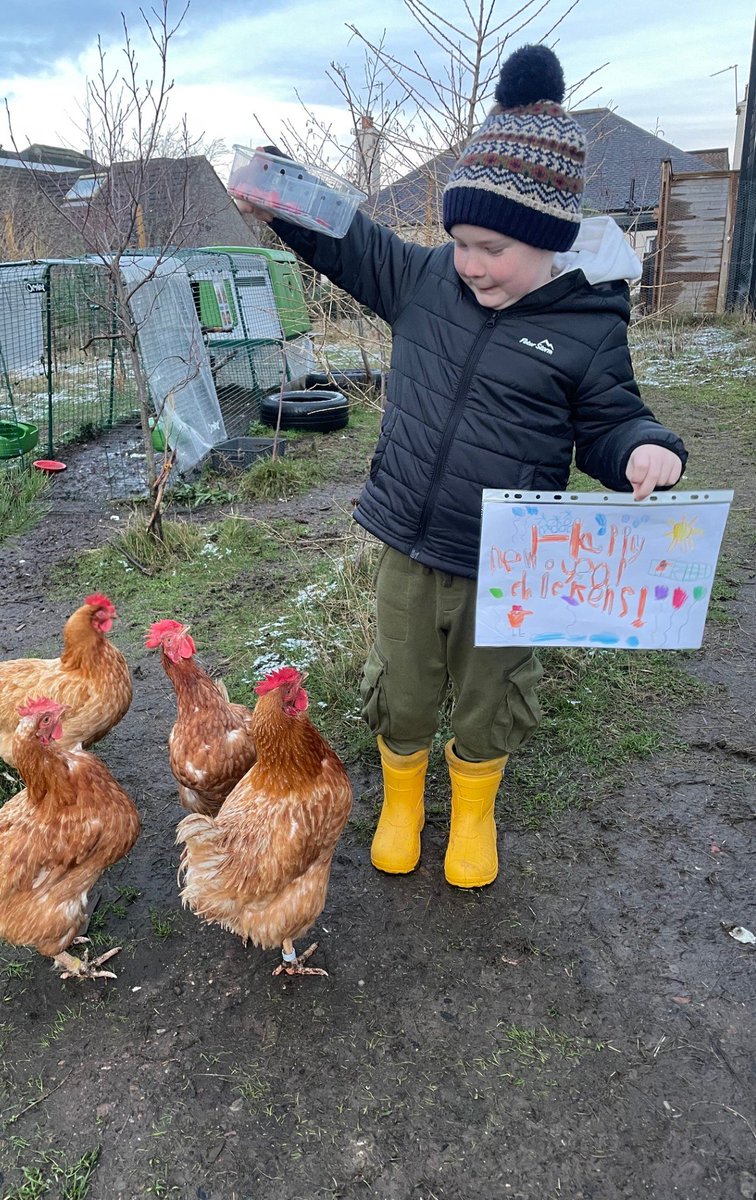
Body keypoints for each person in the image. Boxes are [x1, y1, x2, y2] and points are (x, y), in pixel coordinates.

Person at [233, 44, 686, 889]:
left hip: (513, 558)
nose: (471, 262)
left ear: (548, 242)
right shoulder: (427, 280)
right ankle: (404, 802)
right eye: (460, 241)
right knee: (401, 688)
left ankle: (472, 813)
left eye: (492, 247)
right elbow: (350, 239)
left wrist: (646, 450)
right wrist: (279, 196)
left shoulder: (588, 324)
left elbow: (613, 420)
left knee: (492, 695)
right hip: (409, 537)